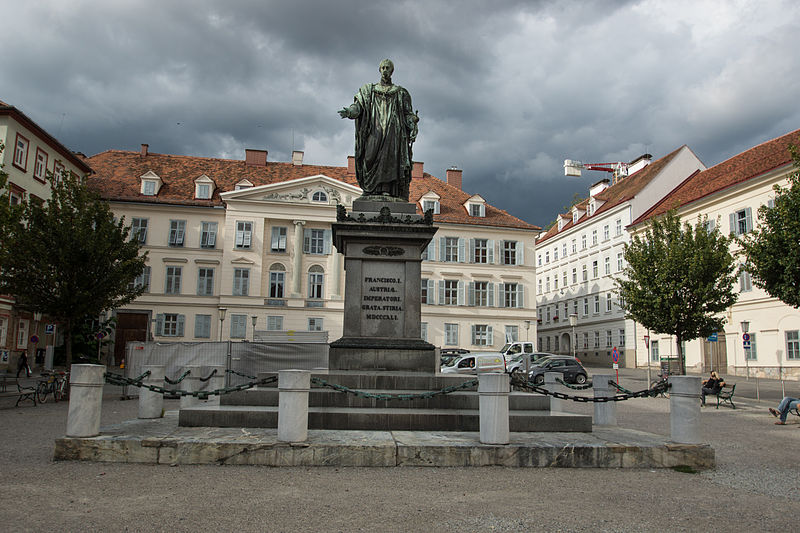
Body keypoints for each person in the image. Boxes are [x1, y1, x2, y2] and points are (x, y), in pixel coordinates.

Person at [339, 59, 419, 201]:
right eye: (382, 68)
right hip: (374, 130)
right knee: (369, 156)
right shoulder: (368, 90)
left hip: (393, 133)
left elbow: (408, 114)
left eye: (388, 68)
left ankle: (388, 189)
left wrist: (412, 122)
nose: (385, 70)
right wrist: (350, 112)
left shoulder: (400, 93)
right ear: (379, 70)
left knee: (391, 160)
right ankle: (370, 190)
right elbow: (358, 106)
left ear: (392, 71)